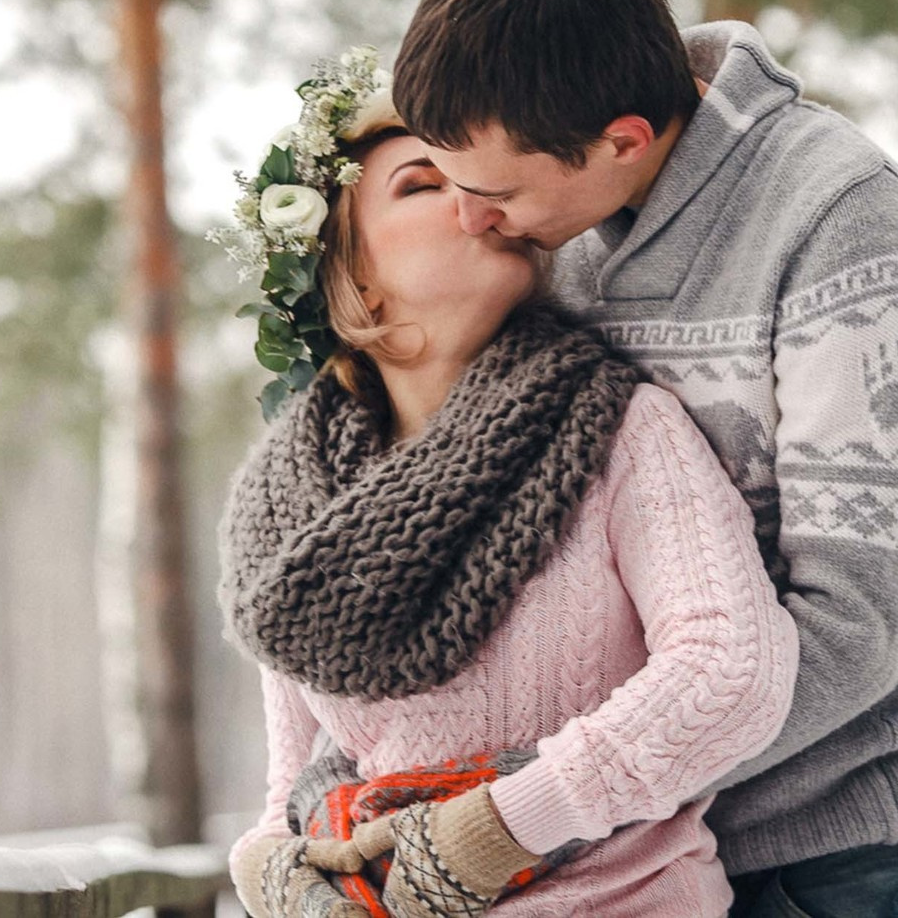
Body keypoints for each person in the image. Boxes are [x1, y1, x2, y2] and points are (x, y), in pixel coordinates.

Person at [390, 0, 898, 917]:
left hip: (833, 853)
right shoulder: (557, 234)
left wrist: (537, 804)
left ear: (622, 140)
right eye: (444, 182)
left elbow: (852, 627)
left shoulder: (839, 219)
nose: (468, 220)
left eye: (492, 192)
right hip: (623, 868)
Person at [216, 52, 800, 917]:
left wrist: (499, 827)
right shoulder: (287, 510)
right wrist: (268, 867)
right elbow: (295, 779)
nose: (476, 201)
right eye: (424, 183)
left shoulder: (620, 427)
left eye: (479, 177)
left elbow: (732, 672)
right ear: (348, 270)